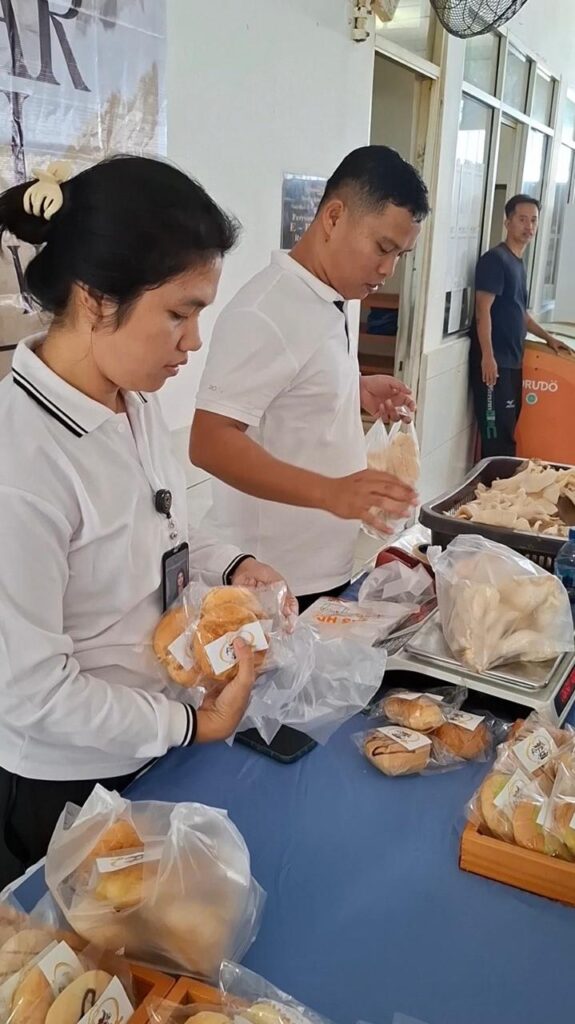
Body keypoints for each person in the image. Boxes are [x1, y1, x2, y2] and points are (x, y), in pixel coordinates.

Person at [0, 156, 290, 886]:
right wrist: (190, 724)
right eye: (179, 314)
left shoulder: (132, 400)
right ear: (97, 300)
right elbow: (32, 693)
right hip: (67, 787)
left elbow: (165, 528)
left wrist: (232, 566)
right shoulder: (22, 463)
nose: (193, 342)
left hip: (152, 746)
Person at [191, 146, 429, 610]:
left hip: (325, 565)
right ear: (334, 217)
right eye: (383, 248)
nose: (388, 270)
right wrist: (330, 492)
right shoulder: (265, 312)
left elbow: (292, 386)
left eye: (401, 255)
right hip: (271, 578)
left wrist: (355, 389)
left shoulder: (331, 296)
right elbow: (208, 442)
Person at [470, 194, 571, 458]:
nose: (529, 226)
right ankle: (493, 484)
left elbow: (520, 313)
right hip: (494, 365)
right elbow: (482, 310)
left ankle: (501, 483)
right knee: (496, 435)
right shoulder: (495, 260)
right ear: (508, 222)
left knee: (508, 430)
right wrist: (488, 357)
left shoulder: (517, 262)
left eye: (534, 220)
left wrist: (548, 338)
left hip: (512, 362)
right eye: (522, 219)